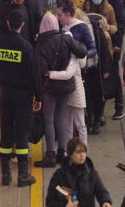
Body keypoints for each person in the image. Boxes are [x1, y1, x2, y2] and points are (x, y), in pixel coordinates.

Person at [0, 10, 42, 187]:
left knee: (5, 133)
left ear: (7, 24)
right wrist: (39, 96)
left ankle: (5, 176)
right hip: (23, 97)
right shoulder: (26, 47)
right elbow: (35, 75)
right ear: (22, 25)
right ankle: (22, 176)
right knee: (21, 135)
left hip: (5, 95)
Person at [34, 13, 87, 167]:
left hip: (50, 88)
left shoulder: (41, 44)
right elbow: (82, 52)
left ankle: (50, 154)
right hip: (66, 87)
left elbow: (42, 70)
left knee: (49, 120)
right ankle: (62, 153)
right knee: (62, 119)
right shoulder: (66, 38)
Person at [85, 0, 125, 119]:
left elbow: (117, 26)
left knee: (113, 77)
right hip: (92, 47)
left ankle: (118, 106)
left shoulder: (111, 7)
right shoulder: (85, 7)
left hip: (107, 48)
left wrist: (109, 29)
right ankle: (98, 112)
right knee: (95, 81)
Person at [46, 138, 113, 207]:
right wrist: (65, 206)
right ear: (70, 154)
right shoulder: (59, 175)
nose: (82, 155)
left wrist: (105, 201)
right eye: (78, 152)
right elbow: (50, 202)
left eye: (84, 152)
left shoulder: (91, 173)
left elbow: (101, 191)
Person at [49, 54, 88, 147]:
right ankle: (68, 149)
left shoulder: (74, 58)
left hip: (76, 94)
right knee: (67, 124)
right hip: (67, 93)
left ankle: (83, 148)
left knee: (80, 124)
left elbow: (67, 74)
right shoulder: (69, 55)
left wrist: (50, 73)